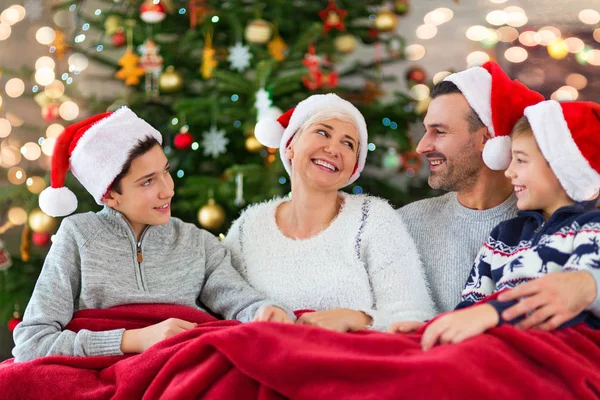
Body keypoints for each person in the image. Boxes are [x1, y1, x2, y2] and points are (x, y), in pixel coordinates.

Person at [13, 107, 292, 363]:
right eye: (147, 181)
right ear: (109, 195)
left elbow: (243, 303)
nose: (167, 190)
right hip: (104, 376)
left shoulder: (198, 242)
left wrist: (266, 311)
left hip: (183, 367)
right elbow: (32, 342)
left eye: (166, 172)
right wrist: (134, 339)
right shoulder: (78, 236)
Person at [222, 93, 436, 333]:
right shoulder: (247, 227)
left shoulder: (373, 219)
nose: (333, 149)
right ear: (290, 146)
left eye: (348, 144)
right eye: (322, 132)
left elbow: (416, 317)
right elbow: (221, 305)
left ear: (353, 167)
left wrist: (358, 319)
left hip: (353, 363)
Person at [419, 100, 600, 350]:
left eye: (521, 160)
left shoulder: (591, 230)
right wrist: (425, 329)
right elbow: (470, 309)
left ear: (562, 169)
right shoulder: (504, 235)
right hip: (489, 345)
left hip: (550, 352)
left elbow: (570, 306)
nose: (508, 171)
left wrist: (493, 315)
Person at [398, 61, 544, 315]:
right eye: (426, 131)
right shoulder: (406, 224)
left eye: (439, 131)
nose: (422, 146)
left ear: (488, 139)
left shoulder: (548, 229)